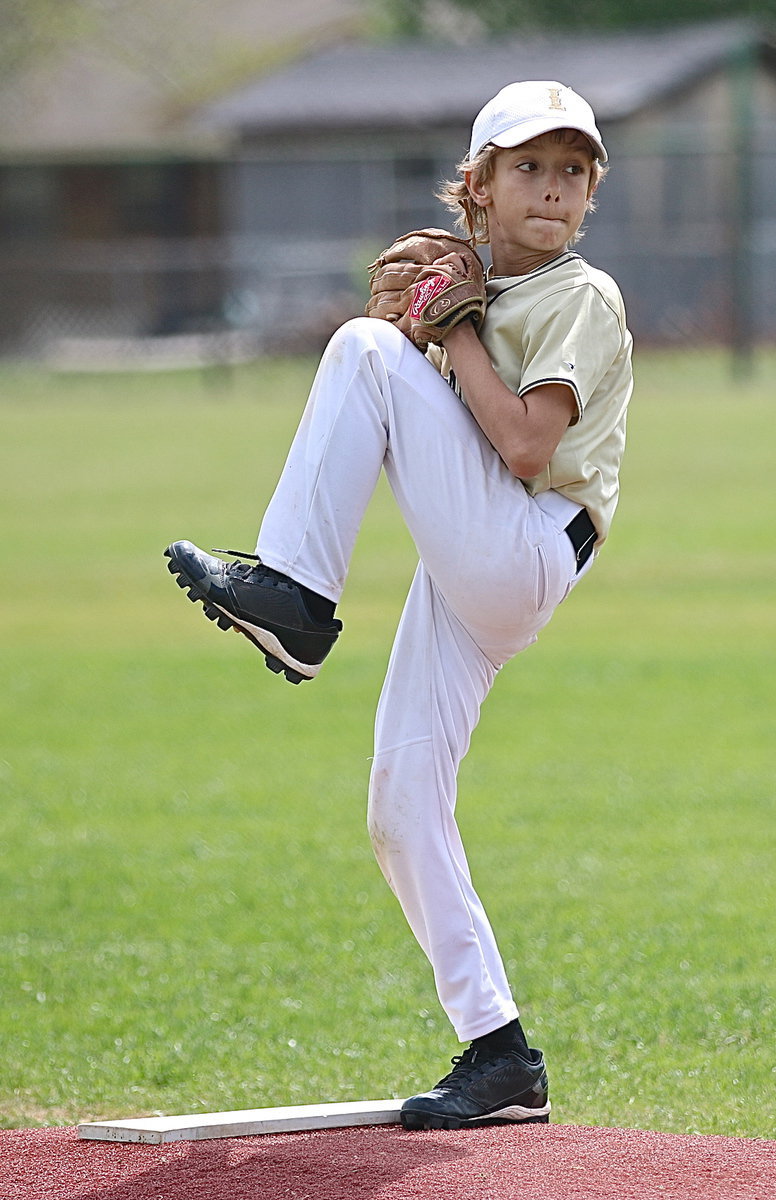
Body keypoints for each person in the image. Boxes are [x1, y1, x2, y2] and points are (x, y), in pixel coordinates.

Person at [164, 80, 633, 1131]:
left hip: (523, 548)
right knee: (399, 807)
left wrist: (445, 335)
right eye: (528, 166)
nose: (553, 189)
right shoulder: (478, 287)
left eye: (572, 170)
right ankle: (500, 1050)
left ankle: (294, 596)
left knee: (362, 351)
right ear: (477, 187)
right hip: (470, 560)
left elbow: (521, 447)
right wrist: (444, 326)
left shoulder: (578, 296)